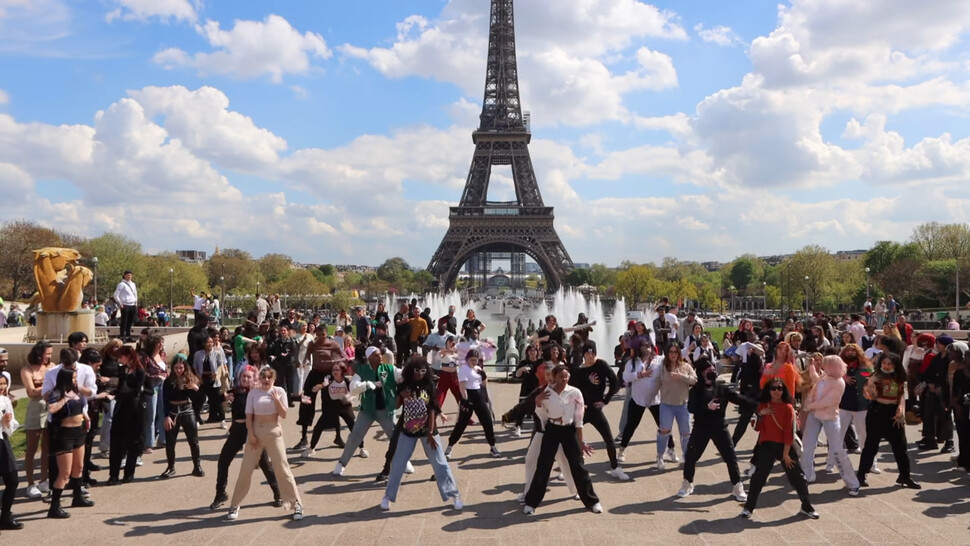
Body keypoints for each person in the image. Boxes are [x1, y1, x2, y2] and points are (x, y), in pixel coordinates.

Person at [380, 356, 462, 511]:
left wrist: (431, 433)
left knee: (440, 464)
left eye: (423, 371)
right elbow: (397, 406)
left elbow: (432, 408)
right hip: (407, 430)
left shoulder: (429, 385)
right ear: (411, 370)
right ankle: (388, 496)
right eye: (417, 371)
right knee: (397, 464)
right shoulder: (404, 384)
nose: (419, 374)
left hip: (428, 430)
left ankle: (454, 494)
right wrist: (401, 396)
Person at [523, 364, 603, 515]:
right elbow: (541, 414)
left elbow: (579, 419)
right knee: (543, 466)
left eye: (566, 376)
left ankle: (592, 501)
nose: (564, 379)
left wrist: (580, 443)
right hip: (552, 429)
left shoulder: (575, 392)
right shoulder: (547, 392)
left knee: (578, 465)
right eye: (561, 376)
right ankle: (531, 503)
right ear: (554, 377)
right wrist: (538, 401)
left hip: (569, 429)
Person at [226, 367, 303, 521]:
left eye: (269, 377)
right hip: (255, 433)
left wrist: (276, 400)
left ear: (274, 379)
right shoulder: (253, 393)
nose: (266, 380)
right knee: (246, 469)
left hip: (273, 431)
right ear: (259, 378)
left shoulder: (279, 391)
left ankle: (296, 504)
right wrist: (251, 434)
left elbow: (284, 414)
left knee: (282, 467)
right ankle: (235, 504)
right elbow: (249, 416)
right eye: (264, 377)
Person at [740, 378, 818, 520]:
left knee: (798, 478)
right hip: (766, 445)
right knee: (758, 478)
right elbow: (756, 427)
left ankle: (807, 507)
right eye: (773, 388)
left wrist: (786, 454)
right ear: (768, 390)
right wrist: (762, 414)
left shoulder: (788, 407)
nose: (776, 391)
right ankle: (748, 507)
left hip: (784, 446)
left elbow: (789, 432)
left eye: (780, 388)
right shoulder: (762, 406)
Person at [211, 366, 281, 510]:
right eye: (243, 377)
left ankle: (278, 493)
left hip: (252, 432)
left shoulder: (257, 394)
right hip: (236, 431)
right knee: (223, 460)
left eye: (248, 377)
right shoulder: (235, 392)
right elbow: (215, 400)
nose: (245, 379)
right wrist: (223, 397)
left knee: (264, 464)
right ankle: (220, 494)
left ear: (254, 378)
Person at [678, 356, 747, 502]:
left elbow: (738, 399)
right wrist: (706, 407)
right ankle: (687, 483)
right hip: (701, 427)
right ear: (702, 372)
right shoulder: (696, 390)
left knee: (731, 457)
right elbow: (691, 408)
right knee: (691, 457)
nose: (713, 370)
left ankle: (737, 486)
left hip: (719, 427)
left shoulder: (721, 387)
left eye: (714, 368)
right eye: (710, 369)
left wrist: (756, 401)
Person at [332, 346, 402, 476]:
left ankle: (404, 462)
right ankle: (342, 463)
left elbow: (401, 376)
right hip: (367, 411)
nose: (380, 357)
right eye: (376, 355)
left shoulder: (389, 369)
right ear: (370, 358)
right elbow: (353, 388)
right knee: (354, 437)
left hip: (385, 411)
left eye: (380, 354)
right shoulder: (362, 371)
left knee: (395, 438)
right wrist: (368, 385)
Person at [856, 352, 921, 489]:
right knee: (871, 446)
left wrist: (901, 412)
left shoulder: (899, 378)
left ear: (895, 365)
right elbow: (870, 396)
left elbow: (901, 396)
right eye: (884, 363)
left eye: (889, 364)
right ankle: (861, 475)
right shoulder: (875, 376)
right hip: (877, 412)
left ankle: (905, 476)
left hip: (894, 414)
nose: (886, 366)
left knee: (901, 447)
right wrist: (871, 385)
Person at [799, 355, 861, 496]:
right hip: (815, 415)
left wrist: (809, 406)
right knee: (808, 445)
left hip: (830, 418)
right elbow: (816, 379)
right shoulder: (825, 377)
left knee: (838, 450)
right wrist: (811, 367)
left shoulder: (839, 382)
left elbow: (829, 401)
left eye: (826, 364)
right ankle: (807, 475)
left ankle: (852, 483)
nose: (823, 366)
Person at [571, 343, 628, 480]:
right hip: (582, 410)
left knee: (609, 439)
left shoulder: (601, 365)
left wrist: (606, 400)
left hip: (596, 409)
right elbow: (572, 391)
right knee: (571, 438)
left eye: (593, 353)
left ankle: (615, 467)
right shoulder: (578, 371)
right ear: (583, 355)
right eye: (588, 353)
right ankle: (571, 467)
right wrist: (578, 404)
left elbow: (615, 382)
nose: (591, 355)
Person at [46, 362, 95, 519]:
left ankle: (77, 497)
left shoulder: (77, 391)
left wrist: (86, 418)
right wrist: (65, 399)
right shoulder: (58, 392)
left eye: (76, 378)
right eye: (73, 378)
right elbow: (51, 409)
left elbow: (82, 407)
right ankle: (54, 506)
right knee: (64, 473)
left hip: (79, 432)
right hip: (64, 435)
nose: (75, 381)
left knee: (78, 467)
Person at [618, 343, 675, 462]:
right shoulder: (633, 362)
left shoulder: (660, 360)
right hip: (638, 399)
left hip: (655, 400)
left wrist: (688, 350)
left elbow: (675, 357)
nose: (647, 349)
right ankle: (622, 450)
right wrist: (640, 375)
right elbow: (626, 377)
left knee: (665, 426)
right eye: (644, 346)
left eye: (649, 346)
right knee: (631, 425)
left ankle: (671, 449)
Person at [445, 349, 501, 459]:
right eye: (472, 360)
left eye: (476, 360)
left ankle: (493, 446)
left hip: (478, 395)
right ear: (467, 359)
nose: (474, 362)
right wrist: (465, 401)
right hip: (468, 395)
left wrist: (484, 376)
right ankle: (449, 446)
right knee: (461, 423)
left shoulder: (478, 368)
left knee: (487, 421)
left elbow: (484, 384)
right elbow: (462, 387)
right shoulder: (463, 369)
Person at [107, 346, 150, 485]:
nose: (119, 360)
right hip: (121, 407)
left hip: (134, 408)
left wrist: (121, 394)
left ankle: (129, 473)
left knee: (133, 441)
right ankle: (113, 474)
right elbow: (119, 387)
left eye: (121, 357)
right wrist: (113, 394)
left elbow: (137, 391)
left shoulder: (139, 371)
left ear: (128, 356)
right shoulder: (122, 369)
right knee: (116, 441)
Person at [295, 332, 343, 450]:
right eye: (319, 334)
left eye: (324, 334)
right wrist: (307, 360)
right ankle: (303, 438)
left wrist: (335, 366)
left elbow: (342, 356)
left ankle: (338, 436)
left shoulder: (333, 344)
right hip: (315, 374)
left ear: (326, 334)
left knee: (333, 403)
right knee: (306, 402)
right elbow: (307, 354)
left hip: (328, 375)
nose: (321, 337)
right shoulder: (313, 344)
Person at [304, 363, 363, 456]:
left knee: (354, 427)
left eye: (337, 370)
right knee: (318, 427)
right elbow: (322, 385)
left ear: (342, 371)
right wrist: (318, 387)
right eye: (333, 370)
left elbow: (353, 394)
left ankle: (362, 448)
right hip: (331, 407)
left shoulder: (347, 381)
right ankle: (311, 448)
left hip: (345, 407)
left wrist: (348, 397)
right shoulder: (329, 381)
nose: (334, 372)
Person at [159, 356, 204, 479]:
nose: (179, 370)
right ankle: (171, 467)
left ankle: (197, 465)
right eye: (176, 368)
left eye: (181, 368)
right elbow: (165, 400)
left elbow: (200, 399)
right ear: (172, 368)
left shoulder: (190, 380)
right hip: (173, 411)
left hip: (187, 409)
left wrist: (196, 389)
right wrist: (166, 416)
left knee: (193, 441)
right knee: (170, 442)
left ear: (185, 368)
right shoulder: (168, 382)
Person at [656, 342, 697, 470]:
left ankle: (686, 457)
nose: (673, 354)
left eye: (675, 352)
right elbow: (656, 383)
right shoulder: (662, 367)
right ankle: (660, 456)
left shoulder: (686, 366)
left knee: (686, 433)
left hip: (682, 405)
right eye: (671, 352)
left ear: (679, 353)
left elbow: (694, 380)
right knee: (664, 431)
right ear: (667, 354)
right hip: (666, 404)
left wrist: (681, 376)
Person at [21, 341, 53, 499]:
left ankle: (44, 480)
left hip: (50, 409)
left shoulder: (51, 366)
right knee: (32, 449)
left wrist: (46, 386)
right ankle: (30, 483)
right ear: (39, 353)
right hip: (35, 410)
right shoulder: (26, 370)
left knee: (46, 447)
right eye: (47, 353)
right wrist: (48, 385)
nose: (49, 357)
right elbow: (32, 392)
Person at [0, 373, 22, 530]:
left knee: (13, 480)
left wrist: (7, 424)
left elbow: (11, 425)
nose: (2, 387)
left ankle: (5, 516)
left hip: (3, 442)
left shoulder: (5, 400)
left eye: (3, 384)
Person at [194, 336, 228, 424]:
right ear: (203, 344)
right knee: (200, 398)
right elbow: (195, 366)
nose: (210, 344)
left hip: (213, 378)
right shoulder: (198, 354)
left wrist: (216, 375)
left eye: (211, 342)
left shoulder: (217, 353)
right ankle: (197, 418)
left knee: (216, 398)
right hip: (202, 378)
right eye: (208, 342)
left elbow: (220, 365)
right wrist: (198, 377)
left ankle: (221, 418)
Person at [512, 344, 542, 436]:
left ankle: (539, 429)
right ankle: (518, 427)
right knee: (522, 409)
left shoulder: (540, 362)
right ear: (527, 352)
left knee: (538, 410)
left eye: (534, 351)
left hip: (538, 388)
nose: (533, 353)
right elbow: (516, 375)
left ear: (537, 352)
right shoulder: (523, 363)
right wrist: (521, 369)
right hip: (526, 388)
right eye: (531, 351)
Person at [951, 349, 970, 472]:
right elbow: (955, 391)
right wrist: (956, 406)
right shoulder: (959, 373)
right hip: (962, 408)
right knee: (963, 436)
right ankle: (963, 462)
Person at [113, 270, 138, 342]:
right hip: (125, 304)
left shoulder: (133, 284)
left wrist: (136, 302)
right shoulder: (121, 284)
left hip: (132, 304)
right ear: (124, 275)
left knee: (130, 321)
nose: (129, 276)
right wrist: (120, 303)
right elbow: (116, 294)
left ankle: (128, 335)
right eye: (128, 275)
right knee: (124, 321)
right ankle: (122, 336)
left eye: (130, 275)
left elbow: (135, 294)